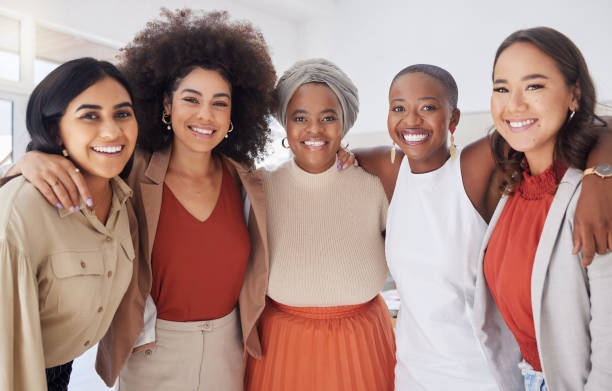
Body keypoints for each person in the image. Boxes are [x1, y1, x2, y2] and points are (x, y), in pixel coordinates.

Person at [5, 9, 276, 390]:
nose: (205, 114)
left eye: (220, 102)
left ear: (235, 113)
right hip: (152, 350)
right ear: (166, 105)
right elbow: (82, 159)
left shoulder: (249, 182)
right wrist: (30, 158)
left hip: (230, 351)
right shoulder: (129, 169)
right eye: (191, 99)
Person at [353, 59, 612, 388]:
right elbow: (327, 153)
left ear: (454, 118)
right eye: (398, 107)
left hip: (481, 377)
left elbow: (597, 126)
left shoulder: (472, 168)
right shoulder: (390, 168)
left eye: (428, 107)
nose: (411, 120)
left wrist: (600, 179)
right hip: (412, 377)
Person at [473, 27, 612, 391]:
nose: (514, 105)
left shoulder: (595, 198)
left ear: (574, 95)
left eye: (534, 86)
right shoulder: (510, 187)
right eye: (502, 88)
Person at [245, 59, 395, 391]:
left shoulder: (374, 183)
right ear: (284, 122)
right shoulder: (259, 187)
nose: (314, 129)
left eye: (328, 117)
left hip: (364, 345)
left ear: (345, 123)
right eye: (300, 118)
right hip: (282, 346)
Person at [0, 57, 138, 391]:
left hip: (62, 369)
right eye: (90, 115)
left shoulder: (123, 198)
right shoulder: (23, 209)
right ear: (53, 129)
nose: (112, 130)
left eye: (122, 113)